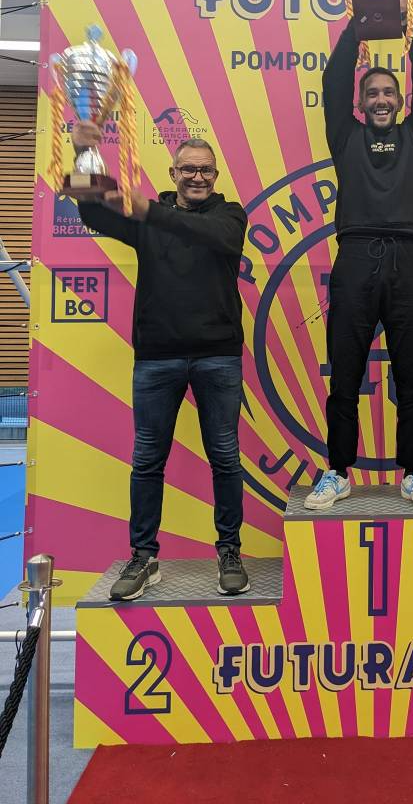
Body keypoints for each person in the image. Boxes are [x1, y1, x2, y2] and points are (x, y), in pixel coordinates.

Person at [72, 127, 250, 600]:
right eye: (188, 169)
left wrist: (150, 210)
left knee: (225, 458)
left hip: (218, 355)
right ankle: (143, 556)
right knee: (148, 461)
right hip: (157, 356)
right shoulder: (148, 217)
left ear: (216, 175)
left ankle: (230, 551)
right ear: (172, 173)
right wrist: (84, 151)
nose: (197, 177)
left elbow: (215, 236)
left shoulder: (230, 214)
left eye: (205, 170)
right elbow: (90, 210)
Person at [304, 0, 413, 511]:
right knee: (344, 374)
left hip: (408, 260)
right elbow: (334, 78)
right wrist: (359, 22)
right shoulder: (345, 136)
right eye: (373, 93)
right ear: (361, 103)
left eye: (389, 92)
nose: (381, 99)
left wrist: (408, 21)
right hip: (356, 258)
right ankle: (337, 471)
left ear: (400, 100)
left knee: (410, 375)